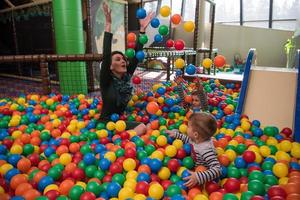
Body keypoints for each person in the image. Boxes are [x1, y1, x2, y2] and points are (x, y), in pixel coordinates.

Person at [100, 2, 154, 135]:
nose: (123, 61)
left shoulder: (126, 77)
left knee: (149, 126)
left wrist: (142, 30)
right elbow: (106, 54)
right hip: (107, 125)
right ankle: (122, 142)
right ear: (110, 66)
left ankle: (121, 140)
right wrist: (108, 25)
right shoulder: (106, 80)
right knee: (142, 127)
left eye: (123, 59)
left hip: (119, 122)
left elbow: (136, 56)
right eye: (118, 60)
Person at [165, 112, 221, 188]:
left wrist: (198, 177)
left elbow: (217, 169)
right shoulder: (197, 139)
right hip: (193, 164)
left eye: (188, 126)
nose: (186, 127)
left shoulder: (205, 149)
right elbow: (189, 140)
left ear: (195, 134)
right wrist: (176, 135)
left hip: (202, 171)